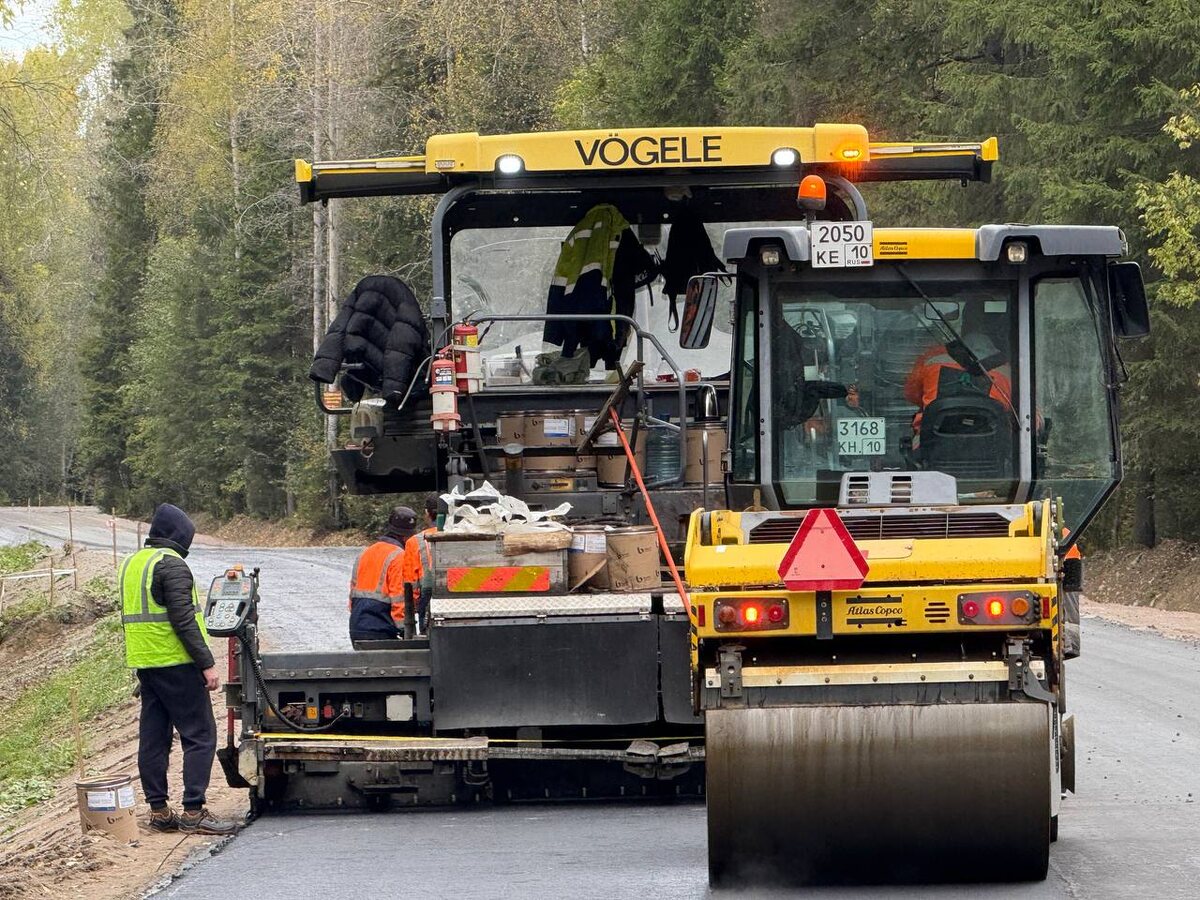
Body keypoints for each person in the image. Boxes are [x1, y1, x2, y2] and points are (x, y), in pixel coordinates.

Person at [120, 503, 238, 835]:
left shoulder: (133, 563)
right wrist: (207, 664)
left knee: (154, 738)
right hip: (177, 663)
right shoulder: (171, 565)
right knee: (200, 735)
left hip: (147, 664)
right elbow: (184, 621)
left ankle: (159, 812)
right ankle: (194, 811)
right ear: (179, 536)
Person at [903, 332, 1014, 443]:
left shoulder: (932, 359)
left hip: (930, 442)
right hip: (992, 446)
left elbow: (911, 395)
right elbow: (1015, 409)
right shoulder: (1010, 372)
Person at [348, 506, 416, 642]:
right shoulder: (399, 556)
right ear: (406, 537)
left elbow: (352, 595)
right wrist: (405, 631)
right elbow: (399, 598)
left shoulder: (365, 553)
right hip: (381, 629)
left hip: (357, 626)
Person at [403, 495, 439, 631]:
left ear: (427, 513)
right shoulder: (462, 534)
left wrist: (416, 606)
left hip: (428, 597)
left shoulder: (414, 542)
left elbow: (410, 582)